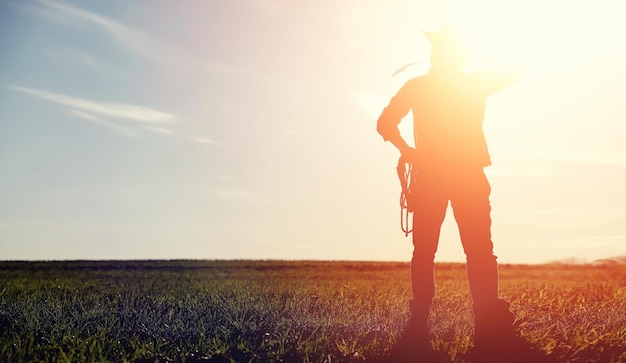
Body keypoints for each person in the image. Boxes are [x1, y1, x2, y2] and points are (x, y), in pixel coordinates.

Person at [376, 25, 523, 359]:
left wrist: (407, 150)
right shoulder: (473, 82)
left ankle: (419, 323)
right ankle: (487, 321)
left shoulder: (418, 86)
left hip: (431, 175)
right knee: (479, 251)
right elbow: (516, 71)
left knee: (425, 250)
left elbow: (385, 123)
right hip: (466, 175)